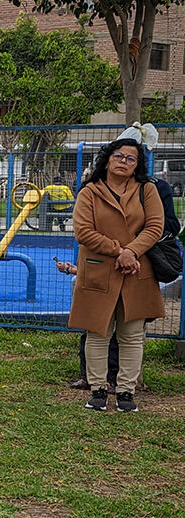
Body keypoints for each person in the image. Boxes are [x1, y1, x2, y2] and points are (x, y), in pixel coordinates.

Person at [68, 137, 164, 413]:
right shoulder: (89, 192)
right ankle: (98, 389)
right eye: (119, 156)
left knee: (132, 334)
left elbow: (155, 226)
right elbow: (83, 232)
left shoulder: (147, 190)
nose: (123, 162)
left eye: (130, 158)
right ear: (108, 159)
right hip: (100, 269)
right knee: (97, 332)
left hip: (136, 270)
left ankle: (125, 392)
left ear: (137, 165)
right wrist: (118, 251)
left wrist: (131, 252)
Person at [55, 259, 119, 391]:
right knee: (89, 335)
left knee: (113, 337)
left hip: (111, 288)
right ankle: (86, 376)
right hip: (95, 289)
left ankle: (110, 379)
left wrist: (70, 270)